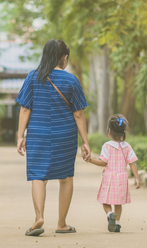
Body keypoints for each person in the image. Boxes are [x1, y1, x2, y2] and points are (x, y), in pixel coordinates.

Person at [16, 39, 91, 237]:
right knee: (65, 178)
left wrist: (19, 136)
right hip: (64, 134)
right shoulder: (71, 80)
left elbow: (25, 108)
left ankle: (39, 217)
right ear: (64, 58)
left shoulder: (33, 77)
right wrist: (85, 142)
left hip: (38, 134)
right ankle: (61, 223)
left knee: (38, 176)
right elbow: (79, 114)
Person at [87, 114, 141, 233]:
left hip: (109, 178)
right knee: (118, 203)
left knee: (105, 201)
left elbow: (103, 162)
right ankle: (117, 224)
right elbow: (132, 163)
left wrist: (90, 160)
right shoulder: (127, 146)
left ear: (109, 131)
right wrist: (136, 178)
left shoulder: (107, 146)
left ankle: (110, 214)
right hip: (122, 178)